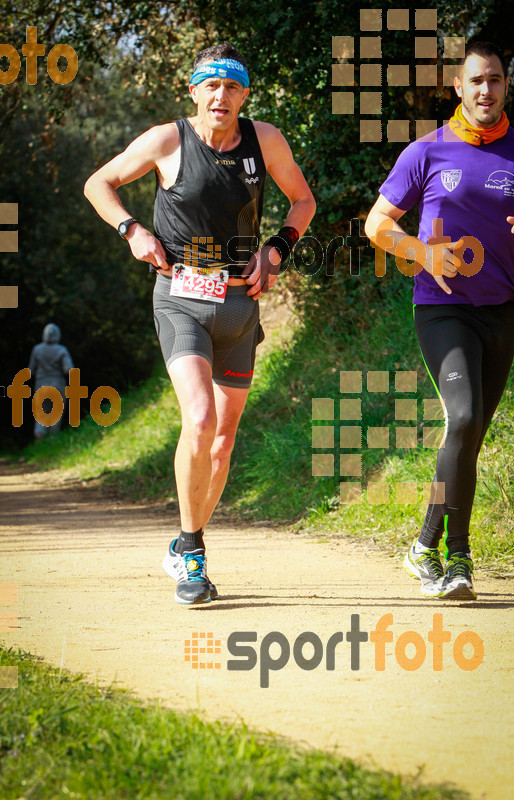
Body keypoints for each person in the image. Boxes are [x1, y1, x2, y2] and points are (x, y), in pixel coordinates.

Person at [84, 42, 316, 605]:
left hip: (240, 305)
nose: (221, 96)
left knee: (222, 444)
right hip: (181, 299)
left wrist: (277, 251)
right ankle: (193, 555)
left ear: (244, 95)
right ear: (194, 90)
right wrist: (132, 230)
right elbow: (100, 183)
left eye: (232, 87)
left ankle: (185, 538)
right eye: (211, 86)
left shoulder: (266, 140)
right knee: (201, 417)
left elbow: (303, 201)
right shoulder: (168, 140)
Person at [365, 41, 514, 600]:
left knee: (470, 437)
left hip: (501, 311)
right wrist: (419, 250)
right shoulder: (427, 152)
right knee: (461, 417)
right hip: (442, 308)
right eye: (476, 81)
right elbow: (376, 225)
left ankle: (422, 546)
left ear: (507, 87)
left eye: (496, 80)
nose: (486, 90)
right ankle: (458, 560)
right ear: (458, 88)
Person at [28, 323, 74, 439]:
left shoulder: (37, 349)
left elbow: (30, 370)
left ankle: (39, 433)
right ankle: (53, 438)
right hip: (57, 385)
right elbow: (68, 369)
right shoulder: (62, 350)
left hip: (41, 385)